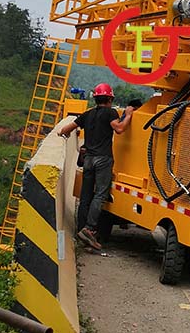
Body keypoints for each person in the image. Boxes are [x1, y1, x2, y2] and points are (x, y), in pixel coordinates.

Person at [57, 83, 134, 252]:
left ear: (95, 99)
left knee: (85, 196)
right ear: (110, 99)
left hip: (89, 160)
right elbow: (119, 128)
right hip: (103, 160)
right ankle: (90, 229)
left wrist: (67, 133)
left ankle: (81, 230)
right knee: (100, 194)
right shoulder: (110, 113)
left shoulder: (87, 114)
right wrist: (128, 115)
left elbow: (64, 129)